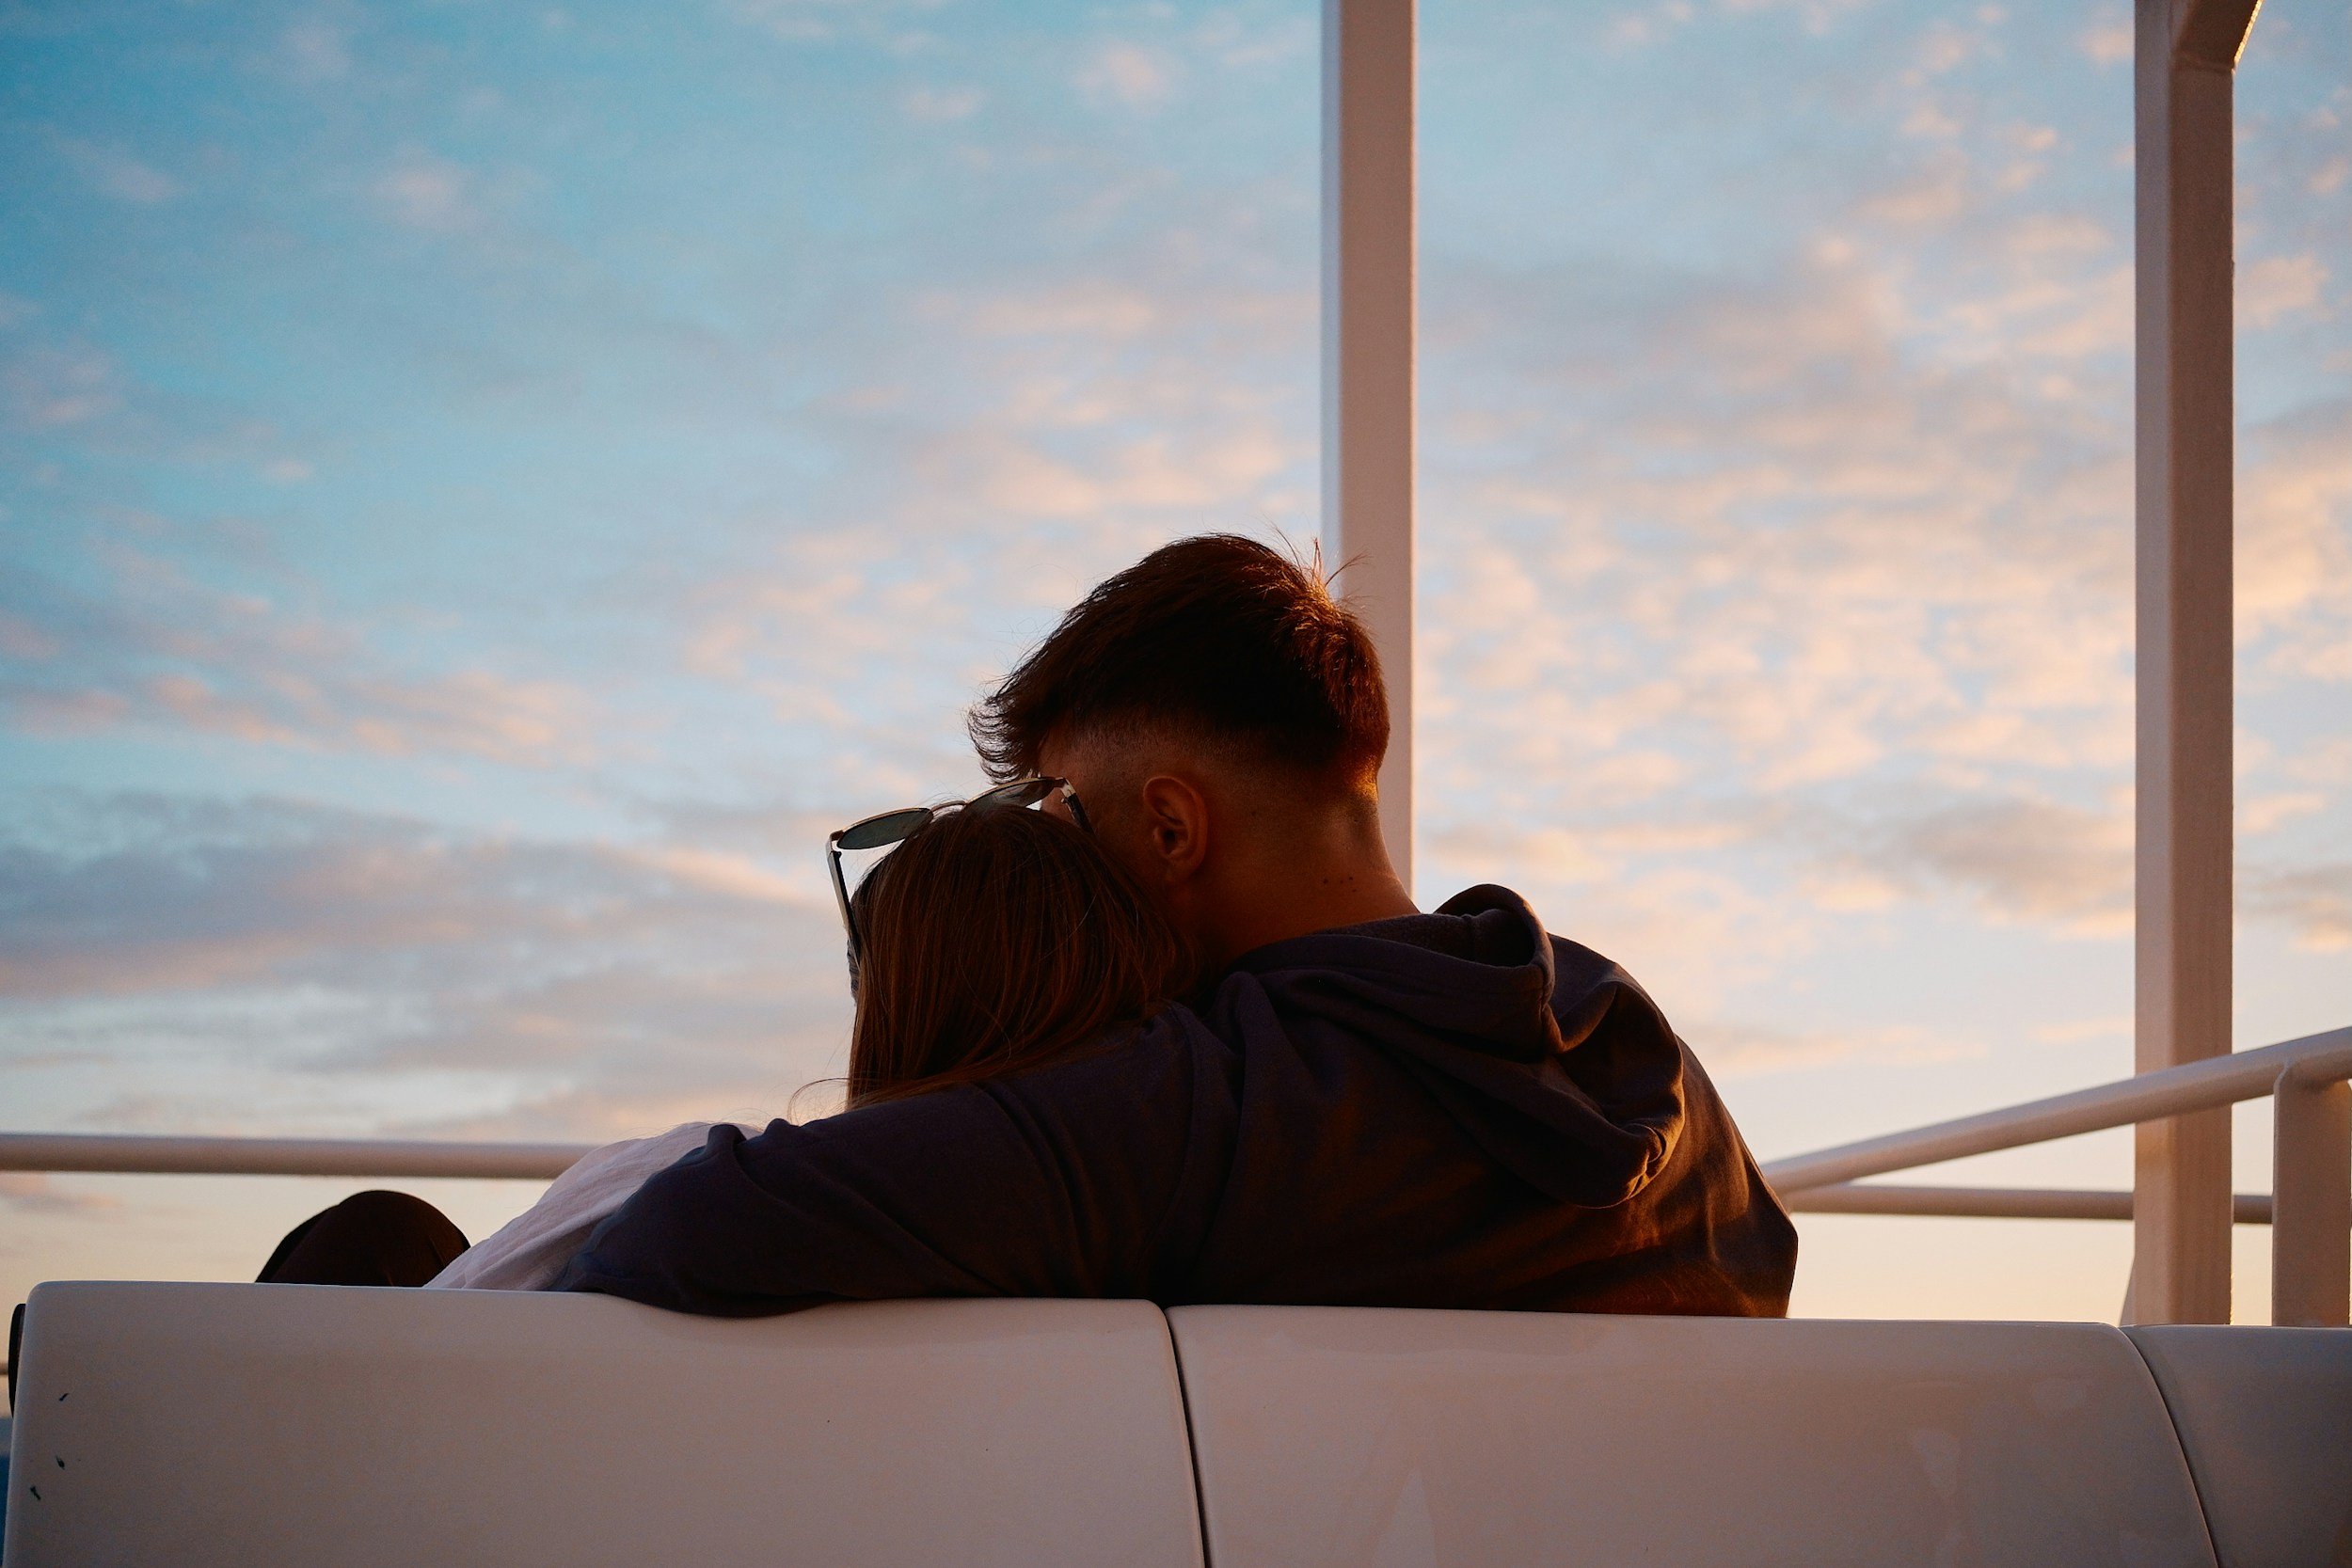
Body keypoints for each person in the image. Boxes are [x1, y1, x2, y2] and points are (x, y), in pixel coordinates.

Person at [560, 535, 1798, 1316]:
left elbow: (692, 1227)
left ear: (1167, 829)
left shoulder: (1206, 1106)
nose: (1049, 848)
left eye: (1060, 810)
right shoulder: (1651, 1065)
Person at [257, 800, 1188, 1291]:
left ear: (899, 1000)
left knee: (374, 1230)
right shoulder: (1170, 1199)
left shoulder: (707, 1193)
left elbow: (450, 1334)